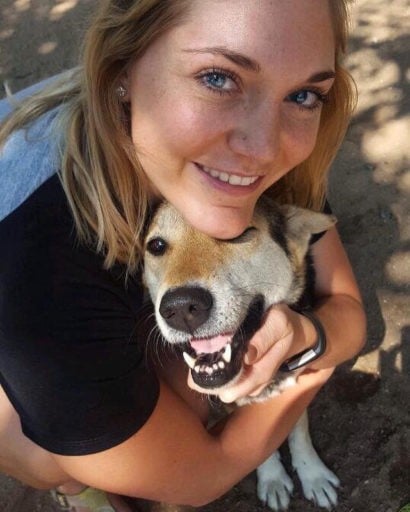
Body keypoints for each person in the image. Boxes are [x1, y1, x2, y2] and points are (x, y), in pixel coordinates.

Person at [0, 1, 366, 511]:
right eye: (218, 78)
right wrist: (314, 369)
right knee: (37, 451)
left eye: (304, 94)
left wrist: (308, 338)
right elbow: (199, 478)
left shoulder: (259, 167)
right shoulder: (40, 266)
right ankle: (79, 489)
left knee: (185, 384)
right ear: (121, 72)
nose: (263, 150)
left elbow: (346, 309)